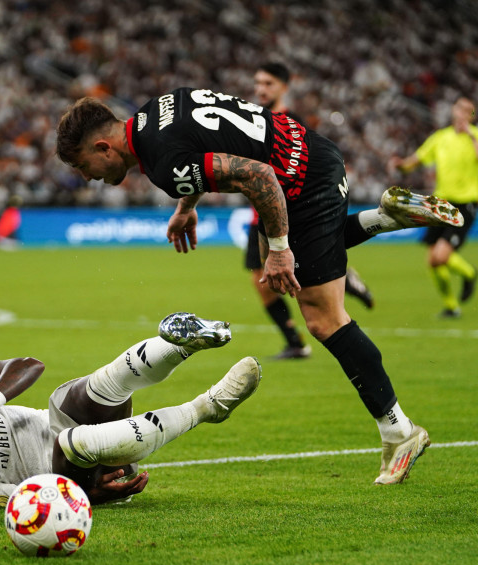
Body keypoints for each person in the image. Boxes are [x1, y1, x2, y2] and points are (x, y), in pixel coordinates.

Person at [55, 90, 465, 484]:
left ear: (105, 148)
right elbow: (208, 145)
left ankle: (399, 433)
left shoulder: (162, 161)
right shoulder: (157, 109)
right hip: (311, 152)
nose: (87, 178)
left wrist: (282, 249)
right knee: (280, 262)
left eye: (82, 165)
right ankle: (384, 218)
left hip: (299, 184)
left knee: (323, 318)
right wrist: (187, 206)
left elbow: (257, 174)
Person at [0, 312, 261, 507]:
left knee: (77, 394)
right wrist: (92, 496)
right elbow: (27, 498)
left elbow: (29, 367)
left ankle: (183, 342)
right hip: (78, 475)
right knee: (71, 442)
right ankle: (210, 406)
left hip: (73, 425)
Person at [250, 62, 373, 360]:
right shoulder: (254, 119)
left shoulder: (289, 121)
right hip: (260, 212)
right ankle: (295, 342)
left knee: (290, 278)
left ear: (283, 87)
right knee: (263, 282)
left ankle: (341, 276)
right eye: (258, 83)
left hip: (286, 214)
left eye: (268, 83)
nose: (261, 89)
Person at [388, 96, 478, 319]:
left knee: (440, 256)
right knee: (432, 260)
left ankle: (469, 273)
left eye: (468, 111)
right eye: (459, 109)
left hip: (465, 203)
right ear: (453, 111)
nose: (462, 114)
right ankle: (451, 306)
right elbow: (417, 160)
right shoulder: (440, 138)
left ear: (471, 116)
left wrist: (470, 135)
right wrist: (401, 166)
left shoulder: (475, 136)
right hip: (440, 203)